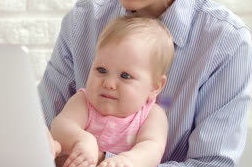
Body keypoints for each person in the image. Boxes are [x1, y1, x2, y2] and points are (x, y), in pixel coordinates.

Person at [39, 0, 252, 166]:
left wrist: (108, 159)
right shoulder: (83, 22)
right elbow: (37, 131)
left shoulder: (224, 42)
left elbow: (212, 163)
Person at [50, 16, 174, 167]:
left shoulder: (151, 115)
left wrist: (128, 160)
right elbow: (60, 126)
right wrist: (82, 140)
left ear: (155, 86)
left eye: (125, 76)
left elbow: (152, 148)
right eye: (101, 70)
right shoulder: (84, 101)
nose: (108, 83)